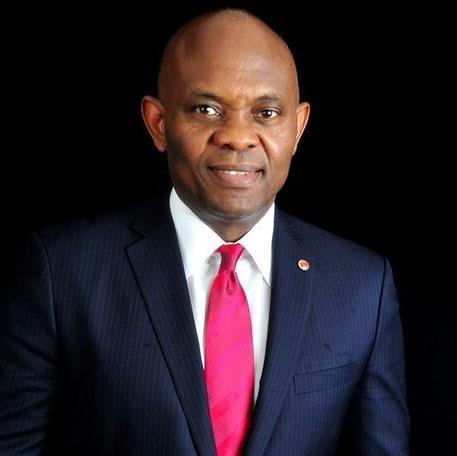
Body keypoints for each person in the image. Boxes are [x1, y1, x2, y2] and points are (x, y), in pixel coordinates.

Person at [0, 8, 409, 455]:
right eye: (206, 109)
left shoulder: (362, 287)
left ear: (298, 126)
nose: (237, 136)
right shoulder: (62, 271)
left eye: (266, 112)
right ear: (159, 123)